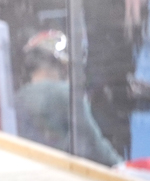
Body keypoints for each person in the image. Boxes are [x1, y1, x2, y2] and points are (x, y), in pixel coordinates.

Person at [13, 29, 120, 165]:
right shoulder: (65, 94)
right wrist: (124, 170)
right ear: (61, 65)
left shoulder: (17, 99)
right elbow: (95, 147)